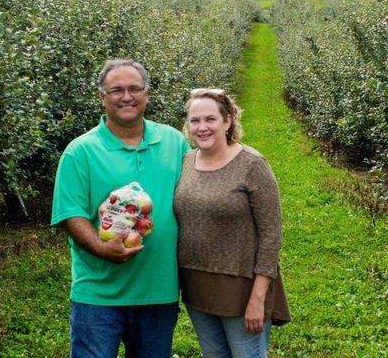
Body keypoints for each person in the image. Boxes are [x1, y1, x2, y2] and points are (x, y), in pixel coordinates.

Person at [51, 59, 191, 358]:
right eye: (116, 90)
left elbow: (199, 194)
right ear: (103, 97)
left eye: (134, 88)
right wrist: (101, 249)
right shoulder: (81, 151)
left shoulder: (173, 142)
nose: (127, 96)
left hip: (158, 292)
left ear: (147, 94)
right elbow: (70, 213)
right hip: (99, 296)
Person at [174, 88, 290, 358]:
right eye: (195, 120)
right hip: (197, 287)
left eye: (210, 119)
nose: (202, 127)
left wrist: (257, 298)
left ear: (227, 121)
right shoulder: (186, 162)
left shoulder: (252, 165)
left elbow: (271, 236)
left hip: (241, 290)